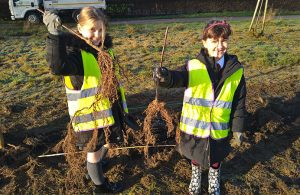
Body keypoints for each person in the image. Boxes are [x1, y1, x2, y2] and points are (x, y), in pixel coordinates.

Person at [43, 7, 135, 194]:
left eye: (101, 30)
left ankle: (97, 168)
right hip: (91, 120)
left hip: (110, 112)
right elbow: (57, 66)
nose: (97, 35)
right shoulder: (76, 55)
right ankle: (100, 188)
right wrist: (54, 36)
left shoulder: (105, 51)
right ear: (80, 28)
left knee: (108, 144)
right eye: (92, 30)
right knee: (93, 153)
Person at [153, 20, 246, 194]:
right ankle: (195, 175)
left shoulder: (236, 70)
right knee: (195, 156)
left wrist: (238, 129)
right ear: (204, 42)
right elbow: (176, 78)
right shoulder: (193, 66)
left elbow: (239, 102)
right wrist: (165, 77)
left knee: (216, 157)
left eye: (224, 40)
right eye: (214, 41)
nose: (220, 46)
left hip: (219, 128)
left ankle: (213, 177)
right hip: (195, 128)